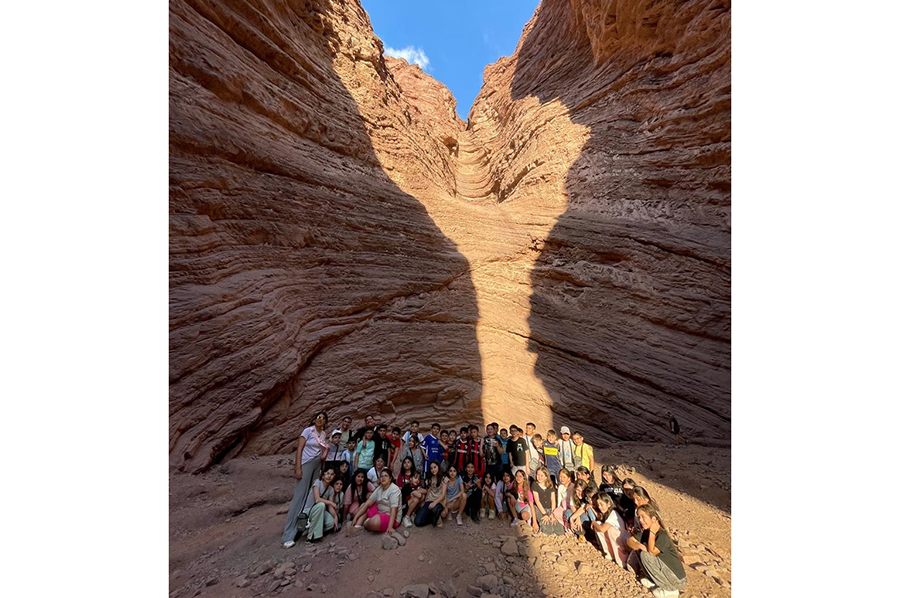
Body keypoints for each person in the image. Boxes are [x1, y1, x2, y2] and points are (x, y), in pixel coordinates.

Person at [281, 412, 329, 548]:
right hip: (306, 463)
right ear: (314, 419)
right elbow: (300, 449)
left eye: (323, 418)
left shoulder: (324, 435)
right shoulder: (308, 431)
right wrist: (298, 468)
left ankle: (301, 527)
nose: (320, 419)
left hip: (317, 465)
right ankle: (288, 535)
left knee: (310, 496)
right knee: (299, 496)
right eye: (318, 417)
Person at [632, 504, 687, 598]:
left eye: (643, 517)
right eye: (639, 517)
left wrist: (652, 533)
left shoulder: (662, 535)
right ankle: (657, 581)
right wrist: (640, 545)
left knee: (646, 555)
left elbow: (652, 552)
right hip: (666, 574)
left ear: (653, 518)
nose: (640, 520)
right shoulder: (646, 532)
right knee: (640, 551)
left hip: (677, 580)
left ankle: (669, 590)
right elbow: (629, 541)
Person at [350, 468, 402, 535]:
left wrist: (390, 527)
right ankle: (357, 526)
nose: (383, 478)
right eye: (381, 476)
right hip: (380, 511)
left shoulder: (394, 490)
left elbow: (393, 510)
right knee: (363, 505)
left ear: (390, 478)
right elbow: (367, 504)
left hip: (391, 517)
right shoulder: (379, 488)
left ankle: (365, 523)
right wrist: (355, 517)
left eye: (386, 476)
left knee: (373, 523)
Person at [626, 486, 659, 572]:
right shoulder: (637, 510)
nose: (636, 502)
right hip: (641, 538)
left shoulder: (652, 510)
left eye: (638, 499)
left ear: (644, 497)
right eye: (634, 499)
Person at [591, 492, 629, 567]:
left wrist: (593, 523)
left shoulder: (613, 513)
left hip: (624, 539)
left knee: (609, 530)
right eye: (598, 505)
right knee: (599, 524)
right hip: (621, 538)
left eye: (602, 504)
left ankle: (622, 560)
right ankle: (610, 553)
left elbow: (602, 529)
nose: (600, 507)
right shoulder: (608, 514)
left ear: (608, 504)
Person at [304, 467, 341, 542]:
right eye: (327, 473)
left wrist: (335, 517)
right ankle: (311, 537)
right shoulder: (317, 482)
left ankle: (313, 530)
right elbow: (317, 499)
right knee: (321, 505)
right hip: (310, 510)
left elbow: (330, 508)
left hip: (320, 512)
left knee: (331, 523)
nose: (329, 476)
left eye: (331, 474)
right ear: (323, 475)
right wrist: (331, 502)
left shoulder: (331, 489)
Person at [530, 466, 563, 535]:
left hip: (550, 508)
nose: (539, 477)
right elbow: (537, 501)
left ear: (546, 476)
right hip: (540, 508)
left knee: (559, 531)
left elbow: (553, 500)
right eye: (538, 475)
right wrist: (544, 514)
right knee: (548, 530)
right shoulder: (535, 485)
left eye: (542, 475)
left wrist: (552, 513)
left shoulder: (550, 485)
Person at [414, 461, 447, 527]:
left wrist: (434, 503)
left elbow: (443, 495)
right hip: (429, 500)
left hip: (439, 501)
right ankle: (433, 519)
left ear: (438, 467)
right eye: (431, 468)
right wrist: (425, 501)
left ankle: (436, 514)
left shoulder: (444, 479)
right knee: (417, 522)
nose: (433, 470)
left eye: (435, 467)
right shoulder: (430, 478)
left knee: (435, 509)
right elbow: (429, 490)